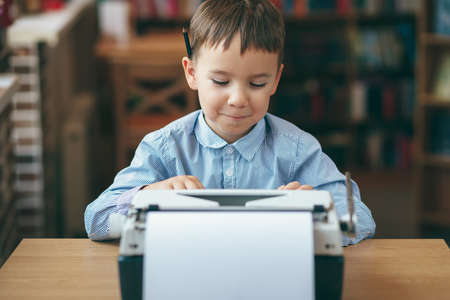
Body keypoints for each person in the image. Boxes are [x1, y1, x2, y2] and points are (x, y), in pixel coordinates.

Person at [85, 0, 375, 245]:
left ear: (275, 80)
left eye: (257, 83)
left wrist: (313, 215)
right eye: (221, 81)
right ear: (192, 73)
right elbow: (96, 221)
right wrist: (148, 196)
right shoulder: (164, 147)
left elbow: (359, 219)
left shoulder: (297, 149)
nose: (238, 99)